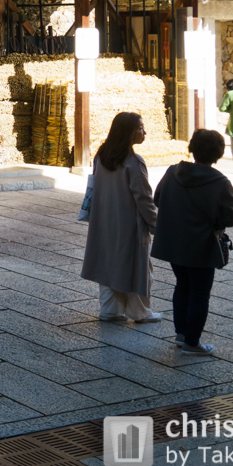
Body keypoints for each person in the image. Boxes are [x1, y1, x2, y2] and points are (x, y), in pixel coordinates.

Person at [151, 129, 233, 355]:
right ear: (218, 154)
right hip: (201, 245)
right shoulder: (220, 182)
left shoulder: (173, 172)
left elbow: (158, 198)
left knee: (182, 285)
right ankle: (192, 342)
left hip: (174, 242)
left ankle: (182, 335)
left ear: (192, 148)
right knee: (200, 293)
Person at [80, 111, 162, 324]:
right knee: (136, 267)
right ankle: (140, 312)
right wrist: (155, 224)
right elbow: (144, 198)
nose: (145, 132)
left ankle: (109, 309)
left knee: (107, 264)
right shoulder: (134, 162)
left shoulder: (102, 155)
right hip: (129, 223)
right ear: (128, 132)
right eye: (140, 127)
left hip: (103, 219)